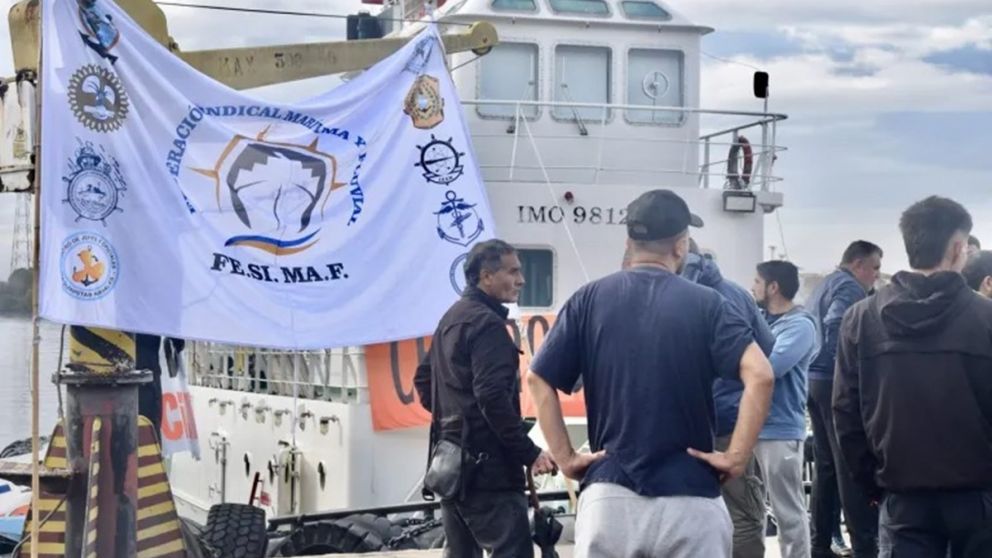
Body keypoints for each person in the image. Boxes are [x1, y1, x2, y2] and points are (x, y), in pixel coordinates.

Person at [526, 189, 774, 558]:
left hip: (609, 494)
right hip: (690, 495)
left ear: (629, 242)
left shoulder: (588, 299)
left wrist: (566, 458)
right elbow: (762, 375)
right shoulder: (708, 303)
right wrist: (735, 457)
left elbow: (537, 378)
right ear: (681, 245)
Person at [834, 196, 992, 557]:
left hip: (902, 499)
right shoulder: (985, 318)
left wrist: (872, 485)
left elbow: (846, 413)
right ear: (957, 247)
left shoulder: (861, 319)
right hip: (979, 500)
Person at [414, 239, 556, 558]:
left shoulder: (451, 318)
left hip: (450, 467)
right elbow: (491, 398)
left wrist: (455, 422)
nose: (521, 279)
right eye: (513, 271)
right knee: (513, 551)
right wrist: (529, 452)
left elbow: (423, 381)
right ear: (486, 276)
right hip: (488, 473)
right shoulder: (487, 324)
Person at [683, 240, 775, 558]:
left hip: (676, 425)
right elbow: (767, 346)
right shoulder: (735, 294)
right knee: (745, 514)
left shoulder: (662, 293)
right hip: (729, 424)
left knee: (678, 516)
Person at [806, 240, 882, 558]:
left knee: (826, 465)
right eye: (875, 268)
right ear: (857, 264)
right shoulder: (849, 288)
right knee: (848, 464)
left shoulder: (825, 284)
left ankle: (820, 541)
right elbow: (837, 323)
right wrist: (846, 368)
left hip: (813, 380)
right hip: (832, 380)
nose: (876, 277)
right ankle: (865, 544)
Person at [751, 260, 819, 558]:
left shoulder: (800, 326)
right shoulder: (763, 323)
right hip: (750, 427)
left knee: (788, 512)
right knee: (752, 508)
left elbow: (771, 368)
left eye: (757, 281)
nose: (752, 287)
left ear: (773, 287)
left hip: (779, 431)